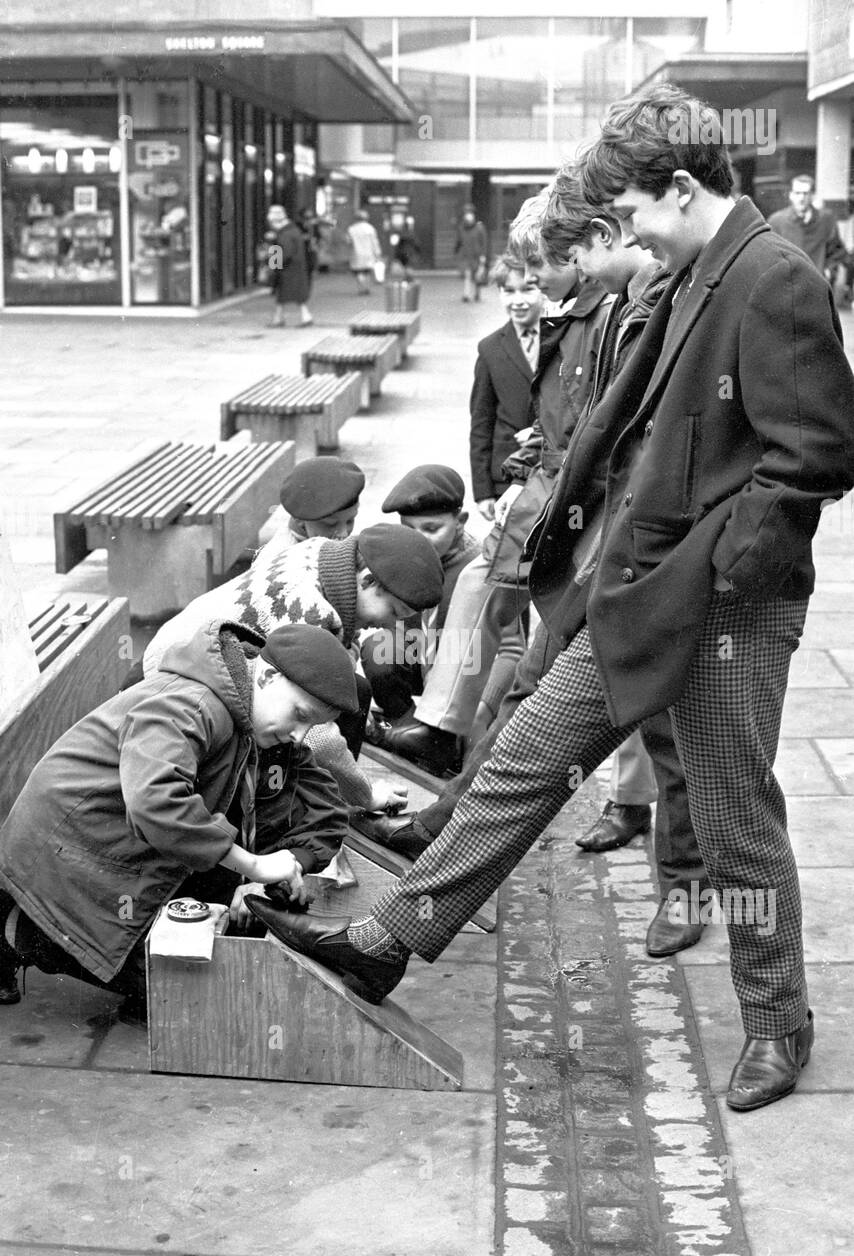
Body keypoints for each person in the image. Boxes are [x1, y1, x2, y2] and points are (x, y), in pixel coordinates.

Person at [246, 85, 854, 1115]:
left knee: (730, 813)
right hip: (640, 589)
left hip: (720, 611)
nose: (627, 233)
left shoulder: (771, 276)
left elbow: (818, 455)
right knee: (524, 759)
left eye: (633, 213)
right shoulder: (695, 270)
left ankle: (775, 1019)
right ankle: (388, 941)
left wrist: (718, 569)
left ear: (677, 187)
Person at [362, 167, 708, 958]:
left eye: (548, 266)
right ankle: (422, 881)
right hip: (593, 553)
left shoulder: (668, 298)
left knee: (679, 739)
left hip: (642, 560)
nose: (544, 284)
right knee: (530, 713)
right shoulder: (615, 308)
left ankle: (686, 894)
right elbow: (594, 431)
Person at [0, 623, 356, 1013]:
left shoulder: (253, 714)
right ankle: (22, 930)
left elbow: (328, 807)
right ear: (268, 676)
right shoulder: (192, 703)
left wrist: (291, 864)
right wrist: (253, 866)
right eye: (300, 715)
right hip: (64, 852)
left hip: (119, 852)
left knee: (209, 980)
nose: (300, 736)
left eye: (312, 726)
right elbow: (155, 801)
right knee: (187, 993)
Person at [379, 191, 611, 776]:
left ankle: (452, 734)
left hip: (573, 501)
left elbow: (600, 424)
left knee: (498, 605)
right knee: (496, 608)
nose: (527, 285)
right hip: (550, 487)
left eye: (535, 272)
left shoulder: (602, 312)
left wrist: (552, 451)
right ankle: (453, 734)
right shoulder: (582, 311)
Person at [142, 524, 444, 818]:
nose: (388, 624)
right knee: (312, 717)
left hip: (188, 647)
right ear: (366, 581)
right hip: (182, 677)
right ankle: (320, 809)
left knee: (352, 691)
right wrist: (364, 793)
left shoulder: (321, 552)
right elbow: (316, 732)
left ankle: (325, 800)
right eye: (393, 611)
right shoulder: (311, 611)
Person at [361, 466, 480, 755]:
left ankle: (446, 739)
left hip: (465, 670)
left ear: (460, 521)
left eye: (431, 529)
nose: (420, 540)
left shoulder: (479, 566)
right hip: (418, 652)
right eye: (410, 529)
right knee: (378, 649)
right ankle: (405, 725)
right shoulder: (401, 555)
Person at [468, 253, 541, 521]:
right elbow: (481, 422)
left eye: (528, 289)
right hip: (506, 473)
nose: (518, 300)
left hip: (549, 469)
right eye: (508, 291)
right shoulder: (490, 348)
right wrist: (483, 490)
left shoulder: (562, 337)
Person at [257, 456, 365, 551]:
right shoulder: (283, 557)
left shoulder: (318, 540)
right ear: (298, 519)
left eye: (350, 521)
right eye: (330, 524)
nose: (344, 534)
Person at [768, 175, 847, 305]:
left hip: (818, 290)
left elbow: (837, 251)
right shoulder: (777, 221)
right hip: (788, 292)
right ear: (790, 195)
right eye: (797, 193)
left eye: (805, 193)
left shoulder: (826, 220)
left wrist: (828, 272)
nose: (801, 198)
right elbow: (769, 256)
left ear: (812, 196)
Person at [264, 204, 313, 329]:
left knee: (284, 294)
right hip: (295, 267)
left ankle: (280, 319)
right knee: (291, 296)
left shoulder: (285, 234)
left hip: (288, 269)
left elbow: (284, 253)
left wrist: (272, 262)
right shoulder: (293, 230)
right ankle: (294, 317)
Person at [455, 204, 488, 302]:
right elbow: (459, 241)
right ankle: (466, 294)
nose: (468, 215)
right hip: (466, 255)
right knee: (467, 274)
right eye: (466, 213)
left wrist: (483, 255)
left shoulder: (479, 227)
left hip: (477, 255)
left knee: (477, 276)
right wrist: (457, 250)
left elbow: (484, 242)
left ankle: (477, 293)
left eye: (470, 213)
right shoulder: (461, 227)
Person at [346, 210, 383, 295]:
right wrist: (377, 252)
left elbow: (348, 241)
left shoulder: (351, 229)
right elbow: (375, 241)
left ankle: (361, 287)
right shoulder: (370, 228)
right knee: (367, 271)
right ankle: (366, 287)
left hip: (356, 253)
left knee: (359, 271)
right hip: (368, 253)